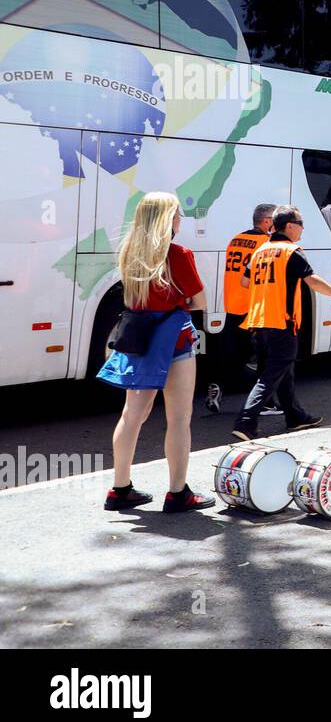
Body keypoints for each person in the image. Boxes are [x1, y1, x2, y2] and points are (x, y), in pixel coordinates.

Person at [100, 192, 215, 513]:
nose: (181, 219)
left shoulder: (129, 251)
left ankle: (119, 489)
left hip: (137, 338)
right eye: (178, 214)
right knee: (179, 417)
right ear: (168, 219)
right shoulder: (177, 254)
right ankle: (178, 493)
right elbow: (199, 301)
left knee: (131, 415)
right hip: (173, 339)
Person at [235, 205, 331, 441]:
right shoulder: (291, 251)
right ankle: (246, 422)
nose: (303, 229)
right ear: (289, 226)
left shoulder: (261, 251)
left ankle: (295, 416)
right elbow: (312, 281)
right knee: (270, 377)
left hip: (258, 322)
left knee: (283, 372)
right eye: (301, 223)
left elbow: (246, 283)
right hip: (281, 323)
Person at [206, 203, 275, 414]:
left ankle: (216, 386)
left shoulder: (236, 239)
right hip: (252, 306)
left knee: (233, 353)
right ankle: (265, 402)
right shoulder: (265, 242)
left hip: (232, 303)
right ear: (266, 222)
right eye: (274, 221)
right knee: (264, 355)